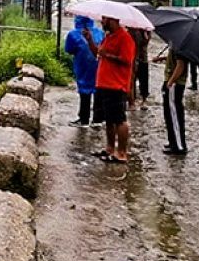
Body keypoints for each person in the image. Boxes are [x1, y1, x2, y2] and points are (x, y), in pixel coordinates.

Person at [84, 16, 136, 164]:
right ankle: (109, 148)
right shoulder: (108, 37)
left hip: (116, 85)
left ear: (113, 20)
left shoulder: (125, 38)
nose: (102, 22)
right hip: (103, 84)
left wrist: (108, 55)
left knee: (119, 119)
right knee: (109, 120)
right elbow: (98, 54)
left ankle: (121, 153)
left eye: (104, 19)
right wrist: (89, 40)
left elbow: (126, 60)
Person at [64, 15, 104, 127]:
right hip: (98, 64)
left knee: (84, 90)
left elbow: (69, 49)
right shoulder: (99, 32)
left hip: (83, 65)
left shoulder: (73, 34)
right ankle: (98, 119)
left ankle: (84, 119)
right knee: (98, 88)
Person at [154, 44, 188, 155]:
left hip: (175, 84)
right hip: (173, 83)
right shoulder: (177, 43)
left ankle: (178, 146)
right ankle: (173, 142)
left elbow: (180, 65)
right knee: (169, 114)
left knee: (174, 115)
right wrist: (163, 58)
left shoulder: (181, 45)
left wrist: (170, 82)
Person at [129, 28, 151, 105]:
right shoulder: (131, 30)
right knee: (132, 80)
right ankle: (132, 100)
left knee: (143, 79)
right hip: (133, 56)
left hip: (142, 57)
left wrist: (146, 36)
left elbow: (145, 43)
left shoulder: (146, 30)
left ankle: (144, 99)